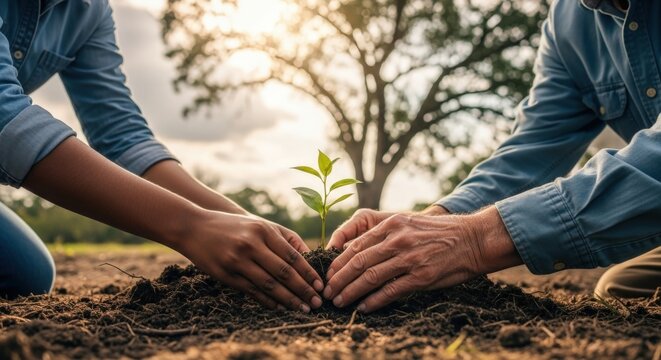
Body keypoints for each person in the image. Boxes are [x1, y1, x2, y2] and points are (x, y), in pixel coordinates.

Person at [324, 0, 661, 313]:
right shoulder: (569, 21)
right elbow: (535, 146)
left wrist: (475, 239)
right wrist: (435, 220)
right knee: (622, 289)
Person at [0, 0, 325, 312]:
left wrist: (238, 220)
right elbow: (7, 117)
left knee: (26, 273)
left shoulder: (89, 10)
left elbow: (122, 137)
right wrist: (190, 227)